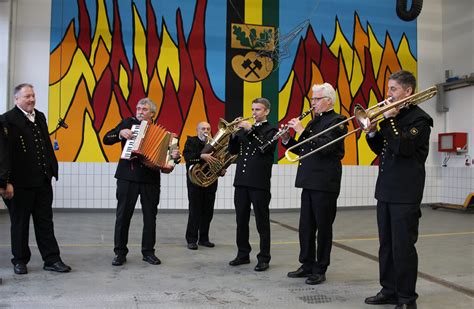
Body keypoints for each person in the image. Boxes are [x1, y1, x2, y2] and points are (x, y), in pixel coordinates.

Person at [363, 70, 432, 309]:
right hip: (386, 191)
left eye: (393, 89)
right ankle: (388, 290)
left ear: (408, 91)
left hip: (406, 193)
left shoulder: (420, 119)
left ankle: (406, 298)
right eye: (389, 89)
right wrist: (371, 131)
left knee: (403, 247)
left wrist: (389, 119)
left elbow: (403, 148)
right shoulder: (393, 118)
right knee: (386, 245)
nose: (388, 94)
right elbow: (381, 149)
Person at [2, 83, 71, 275]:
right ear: (16, 99)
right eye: (27, 97)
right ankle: (20, 260)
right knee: (20, 223)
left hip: (42, 182)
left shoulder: (39, 116)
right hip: (18, 185)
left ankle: (51, 259)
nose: (31, 99)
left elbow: (46, 146)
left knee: (45, 222)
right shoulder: (7, 120)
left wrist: (52, 170)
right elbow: (3, 154)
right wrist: (4, 182)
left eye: (32, 96)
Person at [282, 83, 347, 285]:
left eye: (317, 99)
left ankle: (320, 268)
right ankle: (307, 264)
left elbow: (324, 148)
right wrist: (287, 139)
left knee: (323, 227)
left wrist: (301, 130)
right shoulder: (312, 122)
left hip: (325, 182)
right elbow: (303, 148)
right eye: (312, 99)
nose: (313, 103)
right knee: (306, 227)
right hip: (309, 180)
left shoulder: (339, 121)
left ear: (328, 100)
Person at [103, 97, 180, 266]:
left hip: (150, 179)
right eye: (138, 108)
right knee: (123, 216)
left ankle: (148, 252)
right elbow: (106, 139)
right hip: (127, 177)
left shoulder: (165, 135)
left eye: (144, 109)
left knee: (150, 217)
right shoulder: (127, 123)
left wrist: (175, 157)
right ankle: (120, 253)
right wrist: (119, 134)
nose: (139, 112)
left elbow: (173, 158)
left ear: (152, 113)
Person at [227, 98, 277, 272]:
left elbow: (264, 147)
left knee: (262, 222)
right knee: (241, 220)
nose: (254, 112)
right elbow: (233, 151)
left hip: (259, 182)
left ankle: (264, 257)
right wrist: (233, 134)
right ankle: (242, 254)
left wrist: (250, 131)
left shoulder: (272, 130)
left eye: (258, 109)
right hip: (241, 181)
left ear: (266, 111)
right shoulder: (245, 130)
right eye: (253, 108)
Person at [183, 122, 224, 250]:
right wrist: (201, 156)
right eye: (202, 128)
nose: (205, 131)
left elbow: (219, 160)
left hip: (210, 181)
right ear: (197, 130)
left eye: (208, 129)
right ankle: (191, 239)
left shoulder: (214, 145)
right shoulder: (191, 141)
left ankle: (204, 239)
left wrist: (220, 169)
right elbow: (187, 157)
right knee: (195, 210)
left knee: (208, 211)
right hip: (195, 181)